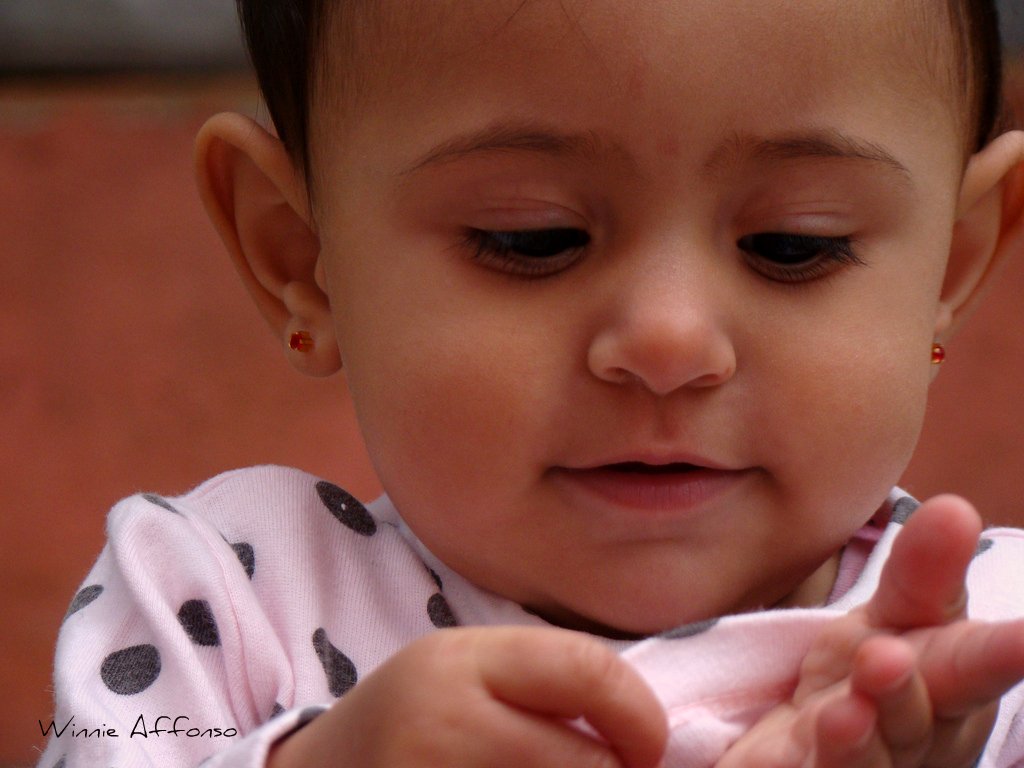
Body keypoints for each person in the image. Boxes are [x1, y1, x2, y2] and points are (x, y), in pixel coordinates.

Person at [36, 1, 1024, 766]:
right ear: (299, 254)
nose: (667, 342)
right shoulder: (220, 605)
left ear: (949, 262)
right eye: (531, 237)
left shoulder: (992, 651)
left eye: (791, 245)